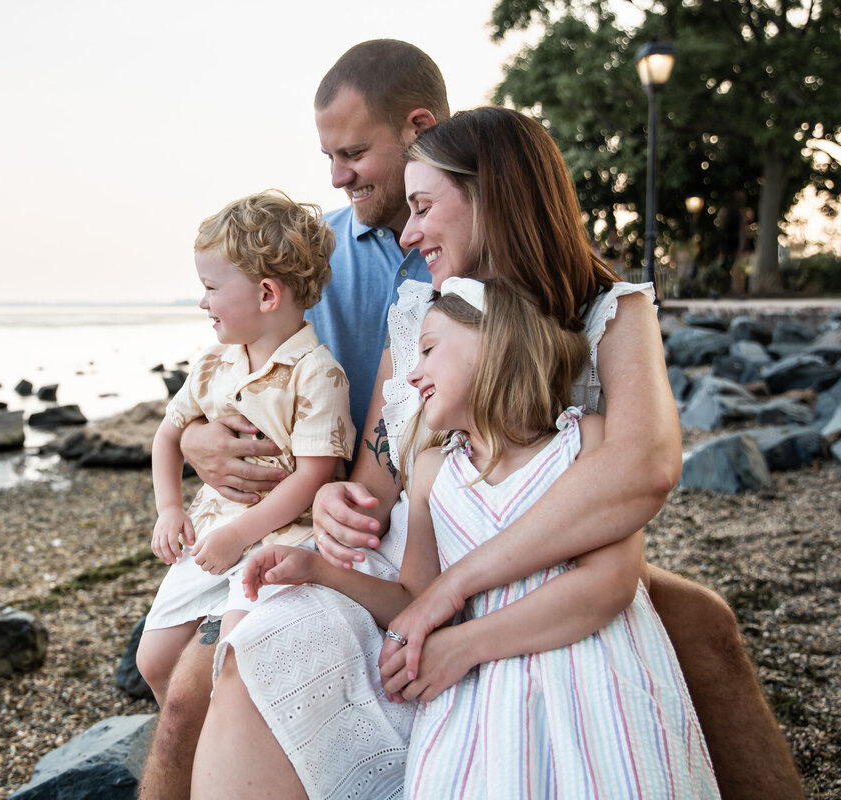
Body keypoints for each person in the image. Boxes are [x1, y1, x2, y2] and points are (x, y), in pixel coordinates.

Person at [191, 105, 803, 799]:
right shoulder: (419, 312)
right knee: (254, 653)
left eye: (424, 206)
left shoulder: (608, 310)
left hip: (541, 546)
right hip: (420, 545)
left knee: (704, 626)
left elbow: (641, 472)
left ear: (490, 197)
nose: (410, 230)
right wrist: (334, 498)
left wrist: (453, 591)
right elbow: (380, 477)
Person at [241, 276, 719, 797]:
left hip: (595, 677)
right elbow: (415, 599)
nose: (414, 372)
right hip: (482, 709)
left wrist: (463, 646)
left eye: (427, 349)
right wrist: (316, 569)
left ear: (496, 343)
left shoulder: (585, 442)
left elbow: (609, 585)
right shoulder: (431, 473)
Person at [135, 39, 446, 800]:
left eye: (351, 153)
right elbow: (245, 363)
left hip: (365, 515)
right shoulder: (319, 251)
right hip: (307, 506)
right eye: (327, 157)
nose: (336, 176)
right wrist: (202, 441)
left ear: (417, 127)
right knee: (176, 688)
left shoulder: (470, 253)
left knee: (197, 690)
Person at [136, 189, 355, 708]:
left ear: (266, 295)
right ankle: (190, 748)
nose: (202, 301)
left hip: (287, 540)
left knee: (237, 654)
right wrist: (169, 510)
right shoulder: (214, 364)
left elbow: (313, 476)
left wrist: (240, 536)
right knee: (152, 658)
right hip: (211, 530)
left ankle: (227, 753)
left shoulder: (318, 373)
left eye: (211, 287)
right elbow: (168, 434)